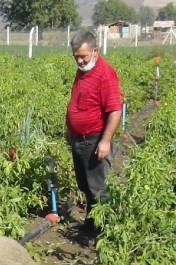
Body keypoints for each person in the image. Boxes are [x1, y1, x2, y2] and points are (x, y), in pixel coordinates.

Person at [65, 31, 122, 245]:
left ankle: (103, 234)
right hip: (79, 138)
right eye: (76, 56)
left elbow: (114, 111)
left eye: (83, 56)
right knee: (85, 185)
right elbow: (77, 100)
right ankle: (91, 224)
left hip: (95, 138)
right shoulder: (82, 71)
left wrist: (105, 141)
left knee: (98, 188)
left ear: (95, 51)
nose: (79, 60)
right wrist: (70, 127)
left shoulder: (105, 74)